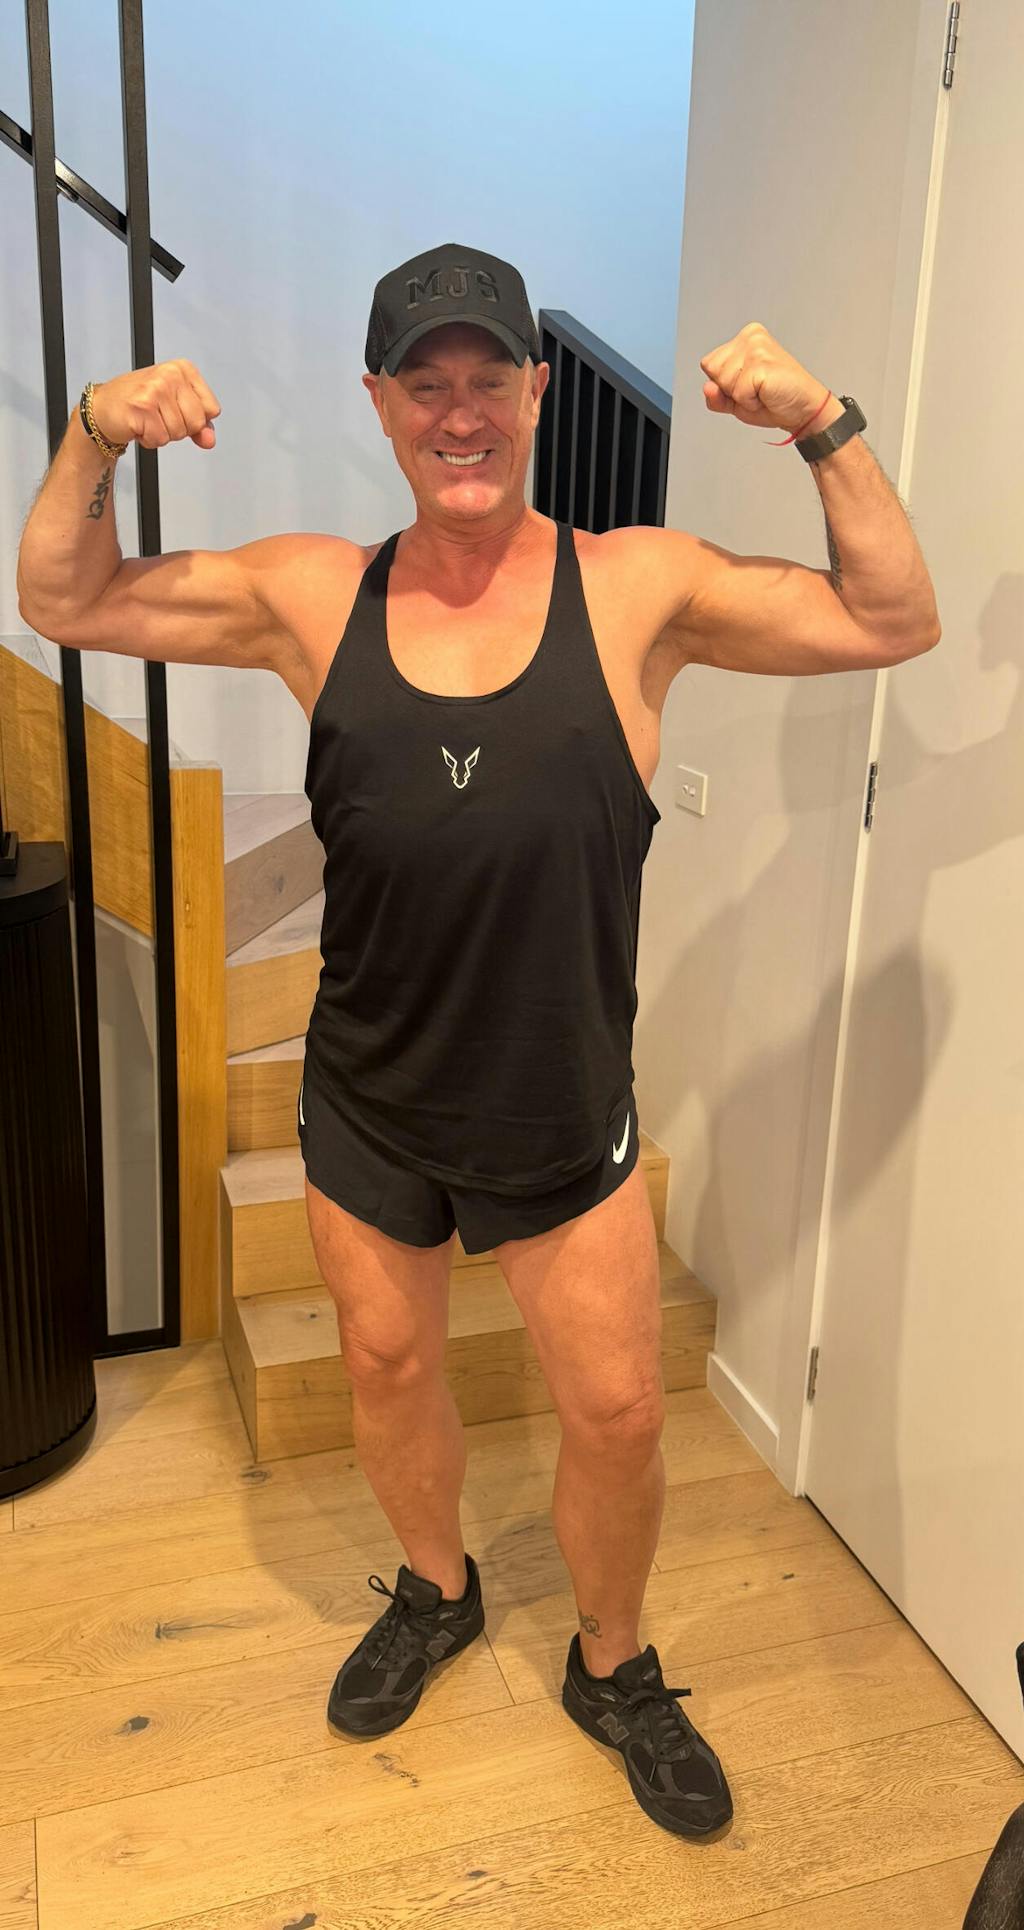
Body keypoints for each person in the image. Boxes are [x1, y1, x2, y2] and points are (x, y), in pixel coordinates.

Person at [15, 241, 940, 1843]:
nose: (461, 411)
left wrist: (821, 420)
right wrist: (97, 428)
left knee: (621, 1412)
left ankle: (613, 1660)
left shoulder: (636, 588)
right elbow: (59, 596)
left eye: (489, 378)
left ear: (538, 391)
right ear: (380, 404)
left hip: (560, 1104)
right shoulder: (315, 594)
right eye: (425, 381)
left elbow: (894, 613)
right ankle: (436, 1589)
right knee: (387, 1366)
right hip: (370, 1098)